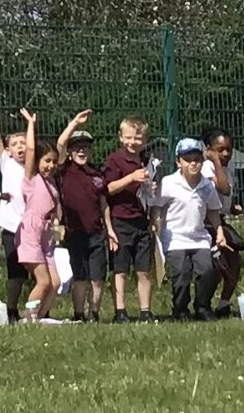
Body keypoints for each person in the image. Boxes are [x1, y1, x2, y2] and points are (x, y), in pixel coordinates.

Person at [20, 110, 87, 322]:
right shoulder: (32, 179)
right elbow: (31, 150)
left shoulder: (51, 181)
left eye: (53, 162)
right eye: (46, 161)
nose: (50, 165)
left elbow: (61, 145)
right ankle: (28, 316)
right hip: (31, 232)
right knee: (43, 282)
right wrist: (31, 124)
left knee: (55, 283)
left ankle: (40, 316)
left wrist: (74, 123)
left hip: (46, 235)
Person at [157, 137, 228, 320]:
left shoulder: (206, 185)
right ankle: (180, 309)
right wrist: (154, 226)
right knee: (181, 274)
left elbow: (213, 211)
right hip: (174, 238)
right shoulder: (168, 183)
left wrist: (219, 232)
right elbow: (157, 207)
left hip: (199, 238)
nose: (193, 163)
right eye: (188, 159)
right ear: (178, 162)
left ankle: (203, 306)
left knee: (207, 270)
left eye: (197, 159)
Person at [102, 117, 158, 323]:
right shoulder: (115, 160)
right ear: (120, 137)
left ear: (144, 140)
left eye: (137, 138)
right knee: (120, 269)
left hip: (141, 220)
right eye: (128, 138)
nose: (132, 142)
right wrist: (131, 178)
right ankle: (120, 311)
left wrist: (150, 188)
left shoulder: (147, 160)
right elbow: (107, 188)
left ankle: (145, 310)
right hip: (120, 219)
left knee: (144, 269)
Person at [55, 119, 108, 322]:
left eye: (86, 147)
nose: (82, 151)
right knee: (81, 276)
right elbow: (60, 144)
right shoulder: (64, 170)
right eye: (77, 148)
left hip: (96, 232)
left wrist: (108, 229)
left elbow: (103, 203)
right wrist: (75, 123)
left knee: (98, 276)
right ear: (70, 151)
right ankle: (79, 313)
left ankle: (94, 312)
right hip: (75, 231)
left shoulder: (96, 173)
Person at [0, 94, 35, 320]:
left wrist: (30, 125)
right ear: (8, 149)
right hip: (11, 227)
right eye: (15, 144)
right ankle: (11, 310)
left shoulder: (33, 167)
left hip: (31, 228)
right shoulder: (6, 164)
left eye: (23, 144)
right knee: (15, 273)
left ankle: (37, 309)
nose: (20, 148)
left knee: (37, 272)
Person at [201, 128, 244, 301]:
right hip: (207, 223)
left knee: (234, 262)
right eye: (220, 150)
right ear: (209, 150)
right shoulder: (206, 168)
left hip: (221, 220)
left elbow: (225, 195)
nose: (226, 153)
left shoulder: (230, 167)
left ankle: (224, 303)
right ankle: (203, 302)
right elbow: (224, 189)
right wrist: (216, 162)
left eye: (229, 149)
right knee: (217, 266)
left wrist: (232, 207)